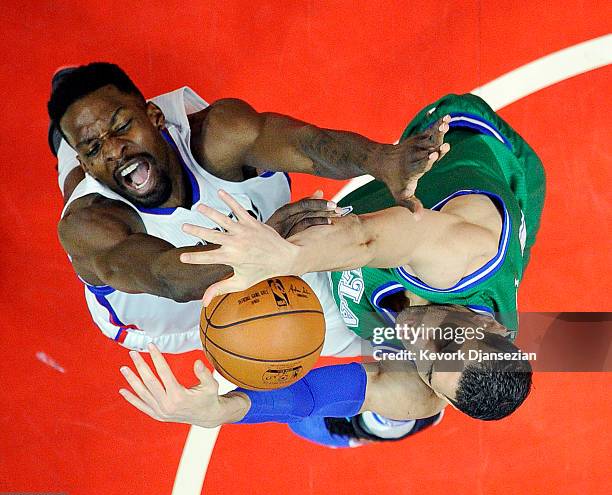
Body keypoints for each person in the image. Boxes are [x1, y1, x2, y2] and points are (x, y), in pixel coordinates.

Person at [119, 93, 544, 446]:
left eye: (432, 364)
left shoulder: (427, 387)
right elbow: (367, 239)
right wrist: (286, 256)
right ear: (497, 328)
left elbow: (312, 395)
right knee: (276, 245)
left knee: (329, 410)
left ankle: (385, 425)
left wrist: (226, 410)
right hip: (478, 155)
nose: (420, 340)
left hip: (374, 296)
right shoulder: (462, 256)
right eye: (448, 342)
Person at [49, 62, 449, 353]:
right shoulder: (87, 227)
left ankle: (68, 121)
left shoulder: (219, 134)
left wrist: (381, 160)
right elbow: (171, 279)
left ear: (155, 115)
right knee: (86, 174)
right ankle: (63, 144)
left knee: (387, 338)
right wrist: (265, 240)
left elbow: (309, 146)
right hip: (172, 317)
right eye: (96, 147)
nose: (114, 147)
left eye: (122, 127)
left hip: (262, 244)